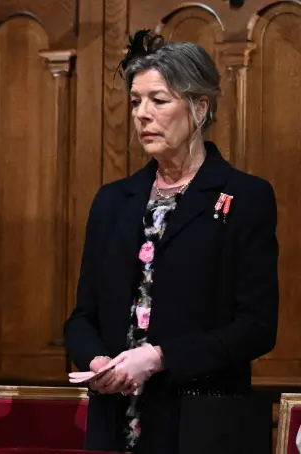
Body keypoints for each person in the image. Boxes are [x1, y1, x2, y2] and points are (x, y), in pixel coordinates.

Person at [63, 30, 277, 454]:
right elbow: (81, 318)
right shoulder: (112, 201)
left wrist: (159, 358)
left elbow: (256, 328)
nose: (142, 114)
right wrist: (98, 362)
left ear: (199, 107)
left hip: (200, 425)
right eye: (136, 101)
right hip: (114, 424)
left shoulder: (245, 197)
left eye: (158, 100)